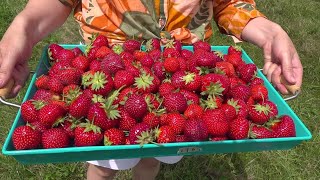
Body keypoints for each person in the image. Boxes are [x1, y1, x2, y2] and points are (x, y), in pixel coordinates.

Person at [0, 0, 303, 179]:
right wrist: (24, 25)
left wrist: (267, 30)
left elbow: (228, 2)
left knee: (154, 154)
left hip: (185, 74)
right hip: (104, 74)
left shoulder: (188, 100)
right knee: (104, 164)